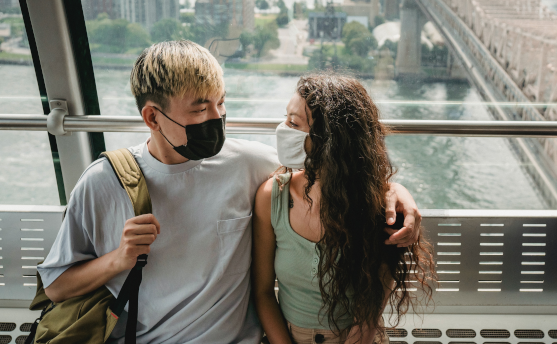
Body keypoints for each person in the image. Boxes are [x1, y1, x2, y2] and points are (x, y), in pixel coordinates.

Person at [38, 41, 423, 344]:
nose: (216, 118)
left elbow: (331, 167)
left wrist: (394, 191)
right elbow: (57, 287)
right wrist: (118, 259)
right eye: (200, 108)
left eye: (221, 103)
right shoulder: (103, 183)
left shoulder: (249, 163)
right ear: (153, 117)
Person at [252, 74, 434, 344]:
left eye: (294, 123)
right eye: (286, 119)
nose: (283, 130)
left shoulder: (379, 208)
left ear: (330, 141)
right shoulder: (272, 197)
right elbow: (263, 292)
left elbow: (369, 312)